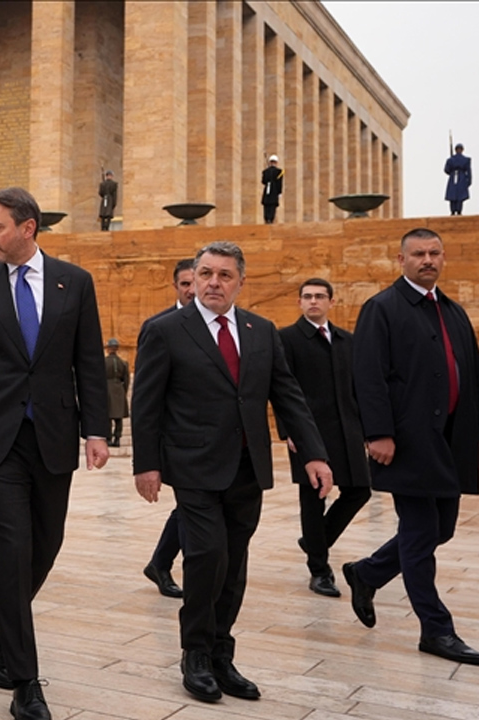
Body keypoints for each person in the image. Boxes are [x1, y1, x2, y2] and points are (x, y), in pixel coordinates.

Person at [132, 240, 331, 703]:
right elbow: (146, 404)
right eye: (205, 274)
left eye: (223, 275)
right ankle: (195, 654)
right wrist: (147, 465)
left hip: (247, 467)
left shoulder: (261, 331)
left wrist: (315, 454)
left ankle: (222, 653)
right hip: (194, 466)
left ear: (241, 281)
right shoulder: (165, 330)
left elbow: (287, 396)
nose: (213, 282)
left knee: (235, 564)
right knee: (207, 558)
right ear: (194, 278)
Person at [0, 186, 110, 720]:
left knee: (46, 546)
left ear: (27, 227)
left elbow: (88, 360)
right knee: (11, 552)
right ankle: (25, 682)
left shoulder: (75, 283)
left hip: (54, 435)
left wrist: (97, 429)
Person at [345, 228, 479, 665]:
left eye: (434, 253)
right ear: (400, 259)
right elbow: (367, 376)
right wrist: (377, 433)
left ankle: (366, 573)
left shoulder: (453, 312)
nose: (427, 260)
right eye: (418, 253)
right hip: (408, 443)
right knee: (421, 536)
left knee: (440, 529)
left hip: (449, 445)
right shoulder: (381, 309)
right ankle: (436, 630)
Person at [276, 278, 371, 598]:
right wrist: (288, 431)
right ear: (299, 303)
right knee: (314, 499)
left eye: (319, 296)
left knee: (360, 490)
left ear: (331, 301)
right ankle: (320, 570)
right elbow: (279, 388)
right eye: (307, 297)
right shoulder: (286, 338)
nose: (313, 301)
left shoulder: (348, 340)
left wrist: (368, 430)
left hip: (348, 430)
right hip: (309, 433)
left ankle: (314, 541)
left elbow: (359, 387)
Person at [139, 259, 195, 599]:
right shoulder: (158, 326)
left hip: (206, 439)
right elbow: (148, 394)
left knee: (191, 506)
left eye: (195, 281)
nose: (191, 289)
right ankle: (190, 573)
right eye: (185, 283)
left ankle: (160, 562)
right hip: (174, 438)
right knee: (192, 506)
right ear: (175, 285)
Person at [104, 338, 129, 447]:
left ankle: (108, 438)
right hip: (119, 389)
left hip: (107, 389)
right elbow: (126, 379)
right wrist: (124, 391)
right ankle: (117, 438)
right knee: (118, 417)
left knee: (108, 416)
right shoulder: (123, 363)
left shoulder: (104, 362)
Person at [444, 144, 470, 216]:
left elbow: (446, 170)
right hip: (461, 178)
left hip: (454, 177)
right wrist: (468, 181)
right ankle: (458, 211)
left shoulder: (450, 160)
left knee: (456, 195)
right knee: (458, 196)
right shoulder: (466, 160)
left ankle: (453, 211)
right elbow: (469, 172)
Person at [261, 155, 283, 224]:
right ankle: (270, 219)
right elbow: (279, 183)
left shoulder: (265, 171)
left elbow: (263, 181)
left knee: (266, 205)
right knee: (272, 205)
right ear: (276, 163)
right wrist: (279, 192)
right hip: (274, 190)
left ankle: (266, 218)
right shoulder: (279, 172)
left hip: (267, 189)